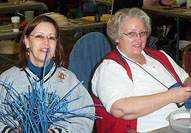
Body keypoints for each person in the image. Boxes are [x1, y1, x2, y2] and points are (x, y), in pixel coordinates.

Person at [91, 8, 191, 132]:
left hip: (182, 121)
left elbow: (186, 78)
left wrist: (187, 90)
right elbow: (120, 109)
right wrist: (171, 96)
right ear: (116, 37)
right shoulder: (110, 68)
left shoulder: (160, 56)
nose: (139, 39)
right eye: (131, 34)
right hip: (152, 128)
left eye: (142, 33)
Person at [0, 15, 94, 132]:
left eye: (51, 38)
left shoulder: (69, 80)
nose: (46, 42)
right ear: (27, 41)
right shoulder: (6, 80)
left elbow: (84, 118)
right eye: (39, 36)